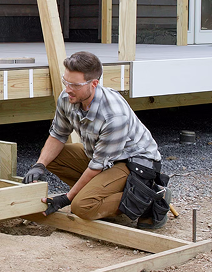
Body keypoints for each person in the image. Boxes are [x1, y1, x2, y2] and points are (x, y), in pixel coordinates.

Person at [22, 51, 170, 229]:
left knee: (82, 206)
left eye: (75, 85)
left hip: (134, 164)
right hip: (102, 158)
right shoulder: (68, 97)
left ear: (94, 83)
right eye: (66, 81)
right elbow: (58, 135)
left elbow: (96, 167)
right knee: (52, 158)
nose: (68, 89)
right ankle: (102, 193)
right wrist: (39, 165)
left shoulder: (114, 115)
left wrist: (66, 198)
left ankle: (148, 198)